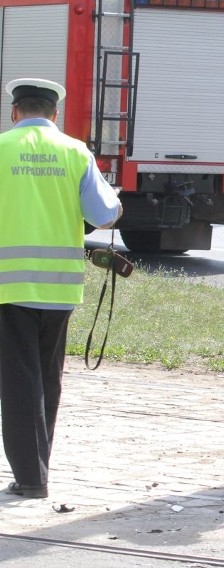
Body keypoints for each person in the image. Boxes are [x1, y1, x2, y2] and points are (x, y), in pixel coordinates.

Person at [0, 78, 123, 499]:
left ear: (15, 112)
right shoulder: (75, 152)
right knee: (47, 378)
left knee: (18, 380)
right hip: (61, 288)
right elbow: (105, 214)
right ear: (55, 114)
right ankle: (40, 467)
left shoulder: (1, 149)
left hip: (9, 287)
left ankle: (31, 478)